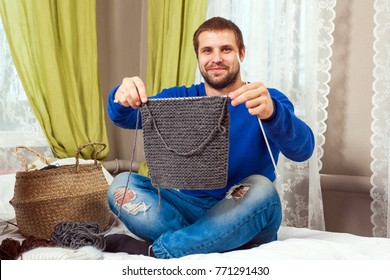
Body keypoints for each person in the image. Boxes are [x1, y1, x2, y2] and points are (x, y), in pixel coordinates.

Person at [105, 17, 314, 259]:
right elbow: (126, 117)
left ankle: (158, 250)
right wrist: (121, 96)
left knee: (263, 189)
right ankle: (219, 238)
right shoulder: (179, 99)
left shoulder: (265, 99)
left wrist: (274, 113)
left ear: (241, 54)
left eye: (226, 49)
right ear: (198, 57)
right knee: (121, 186)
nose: (216, 58)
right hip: (188, 209)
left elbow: (303, 150)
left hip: (244, 206)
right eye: (207, 50)